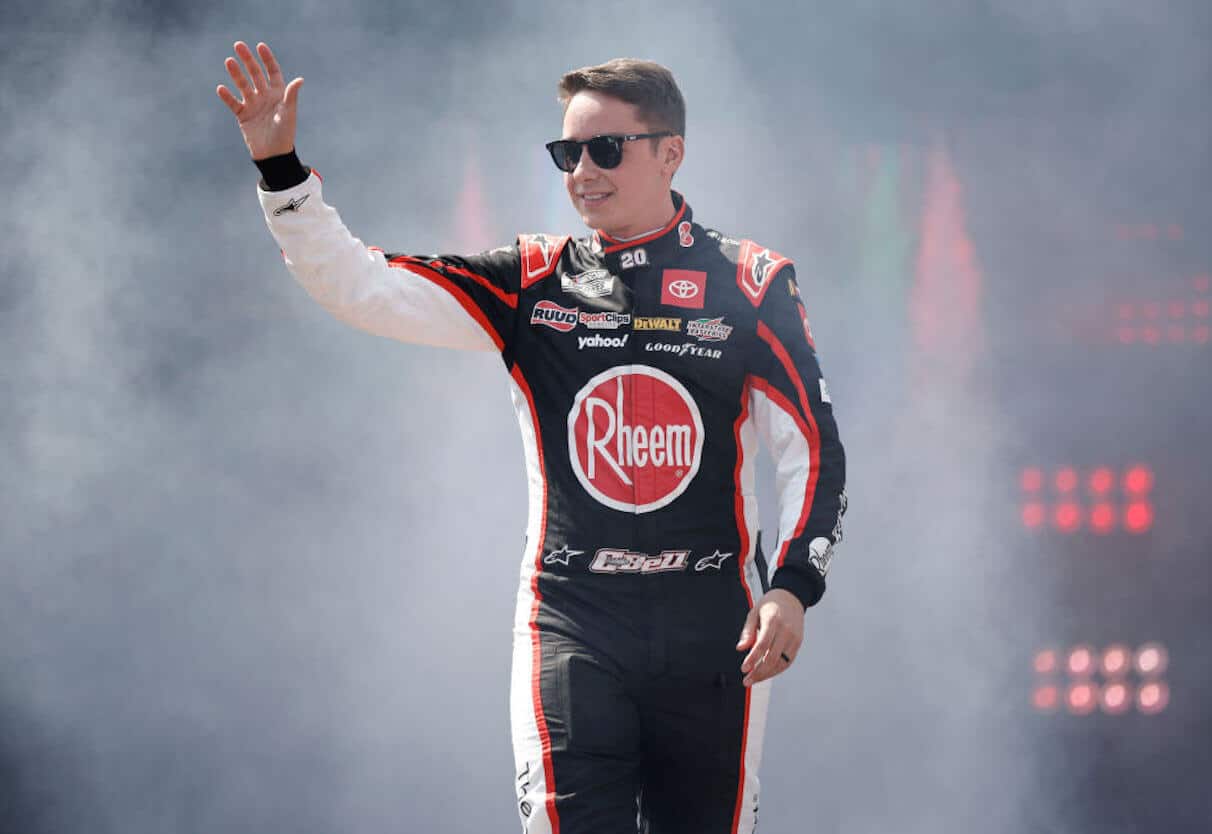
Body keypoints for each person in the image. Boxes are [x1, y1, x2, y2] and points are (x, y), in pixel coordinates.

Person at [216, 41, 847, 834]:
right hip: (573, 618)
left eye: (605, 148)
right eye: (566, 151)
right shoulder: (533, 279)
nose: (582, 170)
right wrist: (282, 173)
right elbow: (362, 286)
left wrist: (794, 587)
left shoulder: (751, 281)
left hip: (714, 626)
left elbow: (814, 451)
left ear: (670, 153)